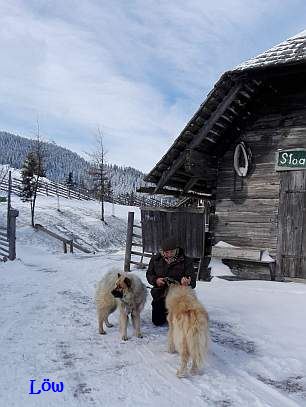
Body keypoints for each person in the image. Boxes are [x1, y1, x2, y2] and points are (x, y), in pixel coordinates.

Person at [146, 237, 196, 326]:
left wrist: (186, 282)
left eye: (171, 252)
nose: (168, 254)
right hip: (160, 294)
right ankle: (166, 311)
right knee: (158, 322)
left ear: (176, 250)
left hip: (178, 297)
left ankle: (176, 312)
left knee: (180, 323)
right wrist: (155, 280)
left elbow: (192, 281)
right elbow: (149, 274)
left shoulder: (186, 261)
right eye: (166, 252)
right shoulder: (155, 259)